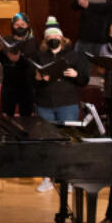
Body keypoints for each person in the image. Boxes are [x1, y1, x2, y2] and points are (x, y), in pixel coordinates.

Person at [32, 17, 90, 192]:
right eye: (49, 37)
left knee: (68, 141)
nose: (52, 39)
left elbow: (84, 80)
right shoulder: (39, 56)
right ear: (45, 40)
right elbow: (32, 81)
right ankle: (47, 178)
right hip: (44, 104)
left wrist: (75, 75)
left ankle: (68, 178)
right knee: (47, 142)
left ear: (62, 38)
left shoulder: (74, 56)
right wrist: (38, 78)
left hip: (67, 104)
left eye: (55, 36)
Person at [0, 12, 38, 118]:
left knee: (27, 118)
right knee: (6, 117)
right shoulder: (7, 39)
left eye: (23, 25)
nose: (20, 27)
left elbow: (33, 63)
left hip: (26, 85)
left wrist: (18, 59)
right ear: (12, 26)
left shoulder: (32, 41)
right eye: (17, 25)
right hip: (8, 85)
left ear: (28, 26)